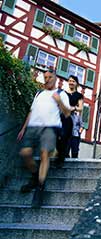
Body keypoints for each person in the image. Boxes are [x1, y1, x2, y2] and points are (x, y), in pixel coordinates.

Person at [17, 70, 71, 207]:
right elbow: (31, 111)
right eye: (45, 77)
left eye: (50, 77)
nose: (47, 80)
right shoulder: (39, 93)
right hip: (33, 127)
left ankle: (40, 187)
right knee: (25, 153)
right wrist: (23, 128)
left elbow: (67, 113)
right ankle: (35, 175)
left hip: (50, 127)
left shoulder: (61, 93)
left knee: (44, 154)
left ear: (55, 78)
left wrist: (59, 102)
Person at [56, 75, 83, 165]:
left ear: (76, 84)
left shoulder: (79, 95)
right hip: (62, 115)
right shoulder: (63, 93)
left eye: (73, 81)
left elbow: (80, 108)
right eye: (70, 81)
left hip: (72, 117)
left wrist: (73, 108)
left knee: (69, 136)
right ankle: (61, 156)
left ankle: (65, 157)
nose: (71, 82)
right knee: (61, 136)